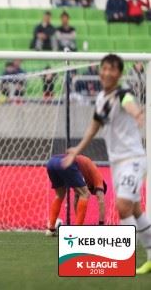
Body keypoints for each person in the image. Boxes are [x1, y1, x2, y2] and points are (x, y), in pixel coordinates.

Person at [62, 54, 151, 274]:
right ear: (100, 71)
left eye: (113, 69)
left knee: (122, 207)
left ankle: (123, 258)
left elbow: (129, 103)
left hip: (133, 160)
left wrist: (137, 113)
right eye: (104, 68)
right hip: (118, 163)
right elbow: (94, 127)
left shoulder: (123, 94)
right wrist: (77, 150)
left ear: (119, 74)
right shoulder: (102, 98)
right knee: (136, 210)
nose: (107, 73)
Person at [45, 155, 106, 236]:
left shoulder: (85, 174)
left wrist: (78, 218)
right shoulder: (98, 179)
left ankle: (51, 229)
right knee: (85, 193)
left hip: (52, 162)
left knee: (59, 195)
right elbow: (101, 201)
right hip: (68, 163)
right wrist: (101, 224)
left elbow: (77, 198)